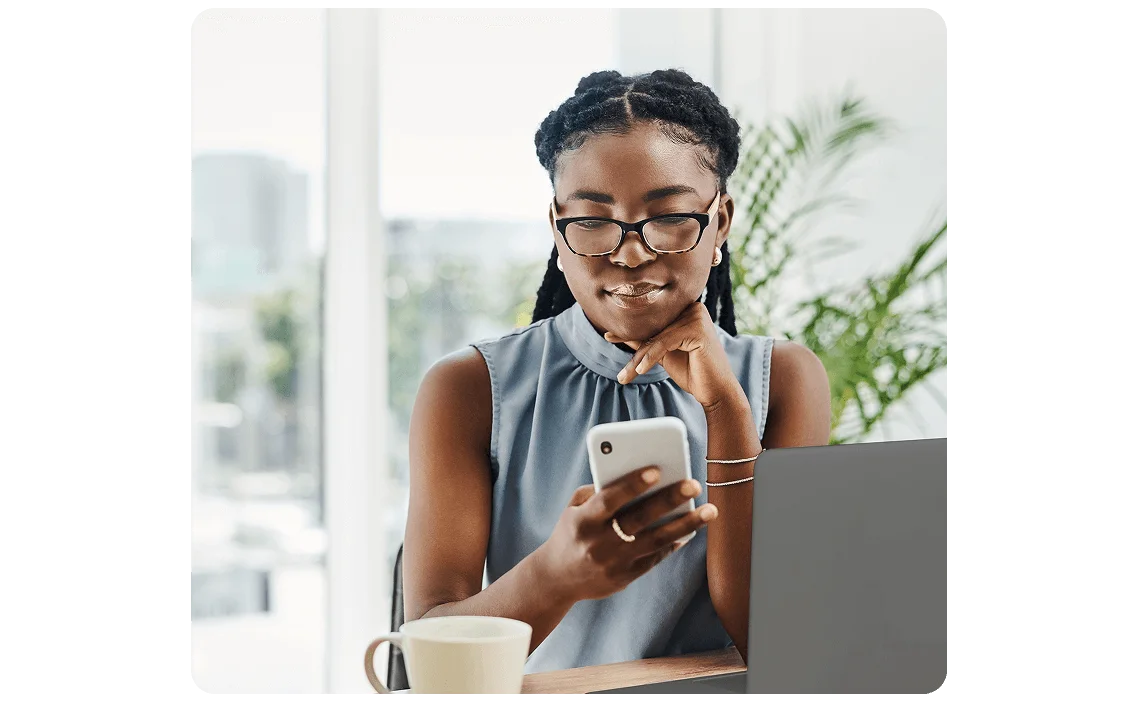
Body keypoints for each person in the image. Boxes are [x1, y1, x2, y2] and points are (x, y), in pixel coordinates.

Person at [402, 68, 832, 674]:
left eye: (670, 217)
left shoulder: (783, 380)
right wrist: (554, 576)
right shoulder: (470, 389)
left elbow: (782, 647)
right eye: (592, 220)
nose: (630, 254)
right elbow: (430, 653)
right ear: (557, 226)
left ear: (721, 221)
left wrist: (728, 413)